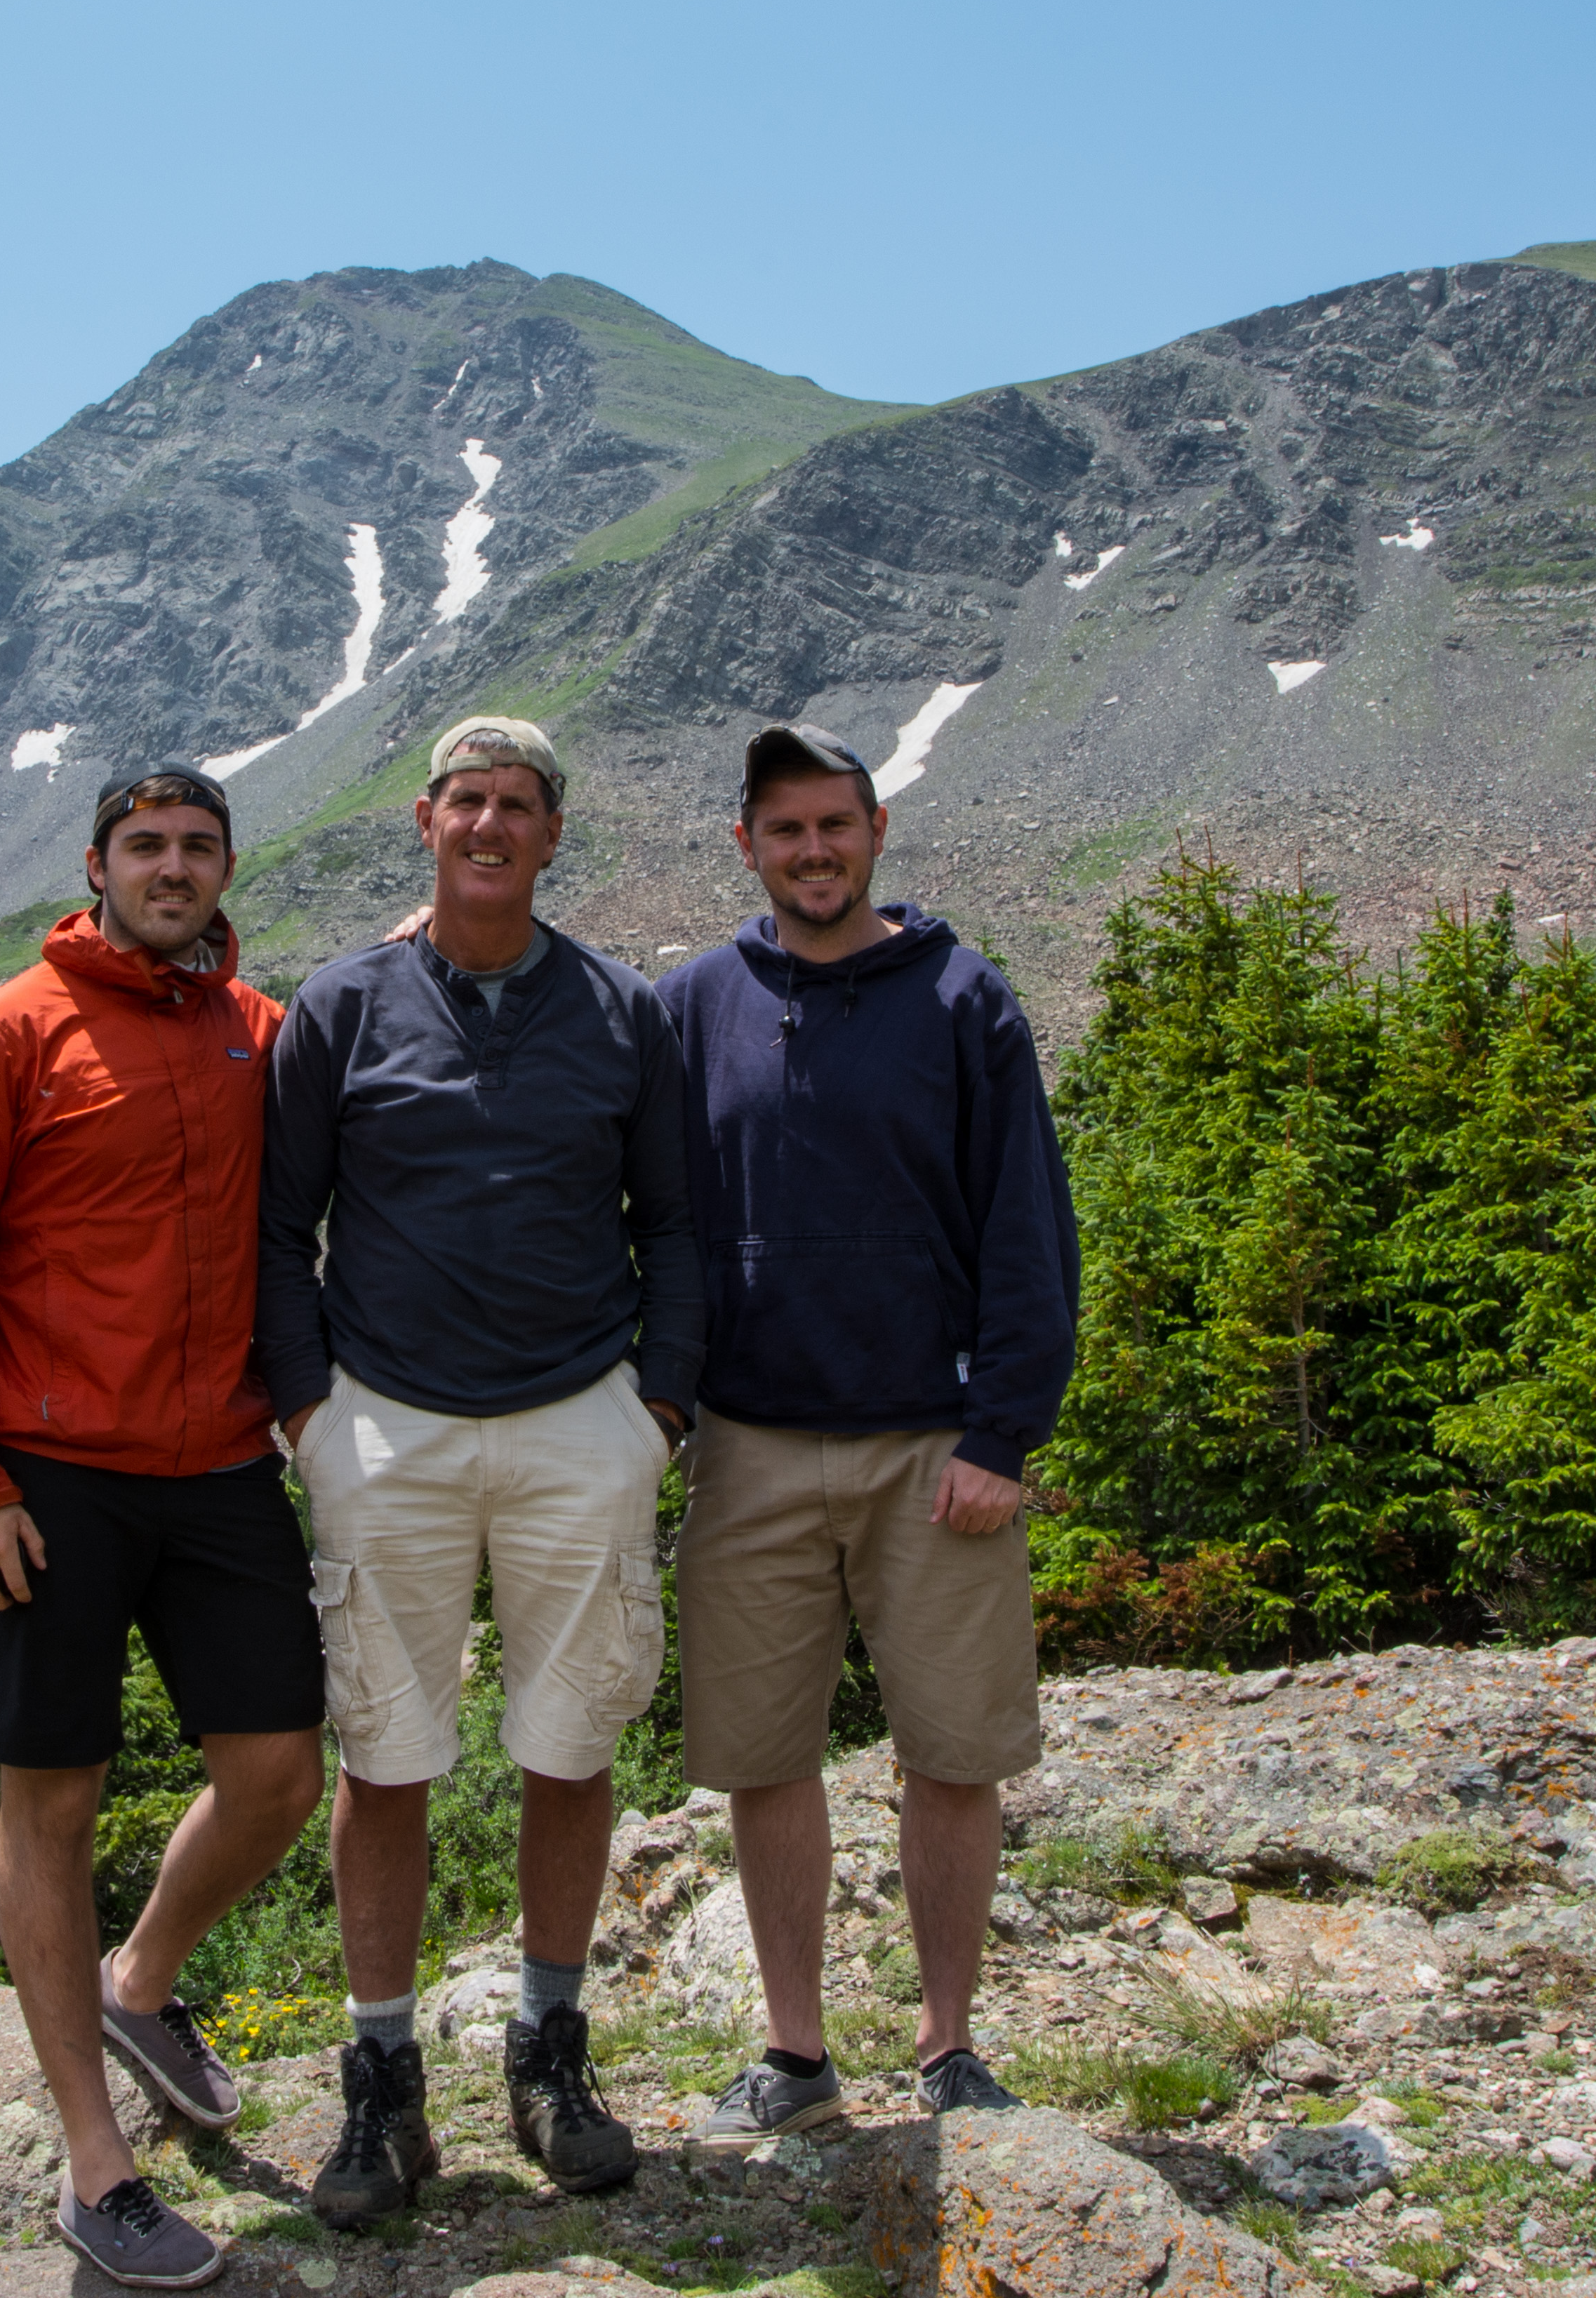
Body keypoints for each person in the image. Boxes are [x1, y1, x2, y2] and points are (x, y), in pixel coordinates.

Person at [0, 765, 325, 2290]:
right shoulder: (11, 1027)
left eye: (200, 847)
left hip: (216, 1464)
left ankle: (144, 1980)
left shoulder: (255, 1030)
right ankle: (95, 2163)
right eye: (148, 845)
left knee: (275, 1774)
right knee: (51, 1804)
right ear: (97, 866)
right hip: (52, 1483)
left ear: (222, 872)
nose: (175, 867)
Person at [255, 714, 700, 2219]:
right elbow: (277, 1226)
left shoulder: (623, 1011)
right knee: (384, 1753)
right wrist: (310, 1411)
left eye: (519, 804)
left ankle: (550, 2047)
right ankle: (382, 2088)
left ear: (552, 833)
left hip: (583, 1413)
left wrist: (662, 1409)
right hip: (388, 1421)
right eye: (467, 800)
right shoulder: (346, 1003)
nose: (491, 824)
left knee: (571, 1738)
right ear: (426, 824)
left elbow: (680, 1224)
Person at [653, 721, 1080, 2142]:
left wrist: (1002, 1433)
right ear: (748, 846)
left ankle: (950, 2042)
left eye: (835, 824)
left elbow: (1028, 1229)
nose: (814, 850)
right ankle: (796, 2048)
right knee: (765, 1755)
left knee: (952, 1750)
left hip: (935, 1443)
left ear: (878, 829)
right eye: (786, 831)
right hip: (749, 1441)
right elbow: (650, 1222)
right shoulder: (693, 1002)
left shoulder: (966, 998)